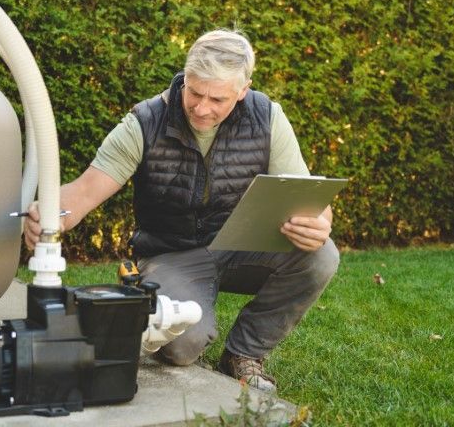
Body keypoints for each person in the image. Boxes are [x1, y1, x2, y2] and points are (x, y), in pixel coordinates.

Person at [24, 29, 340, 392]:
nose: (202, 108)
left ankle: (245, 354)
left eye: (217, 99)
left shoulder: (267, 117)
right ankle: (164, 303)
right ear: (185, 78)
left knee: (320, 255)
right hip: (172, 255)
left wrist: (319, 223)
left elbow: (310, 201)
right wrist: (47, 216)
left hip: (240, 247)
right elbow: (84, 191)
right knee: (182, 346)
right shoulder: (145, 122)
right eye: (195, 92)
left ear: (243, 90)